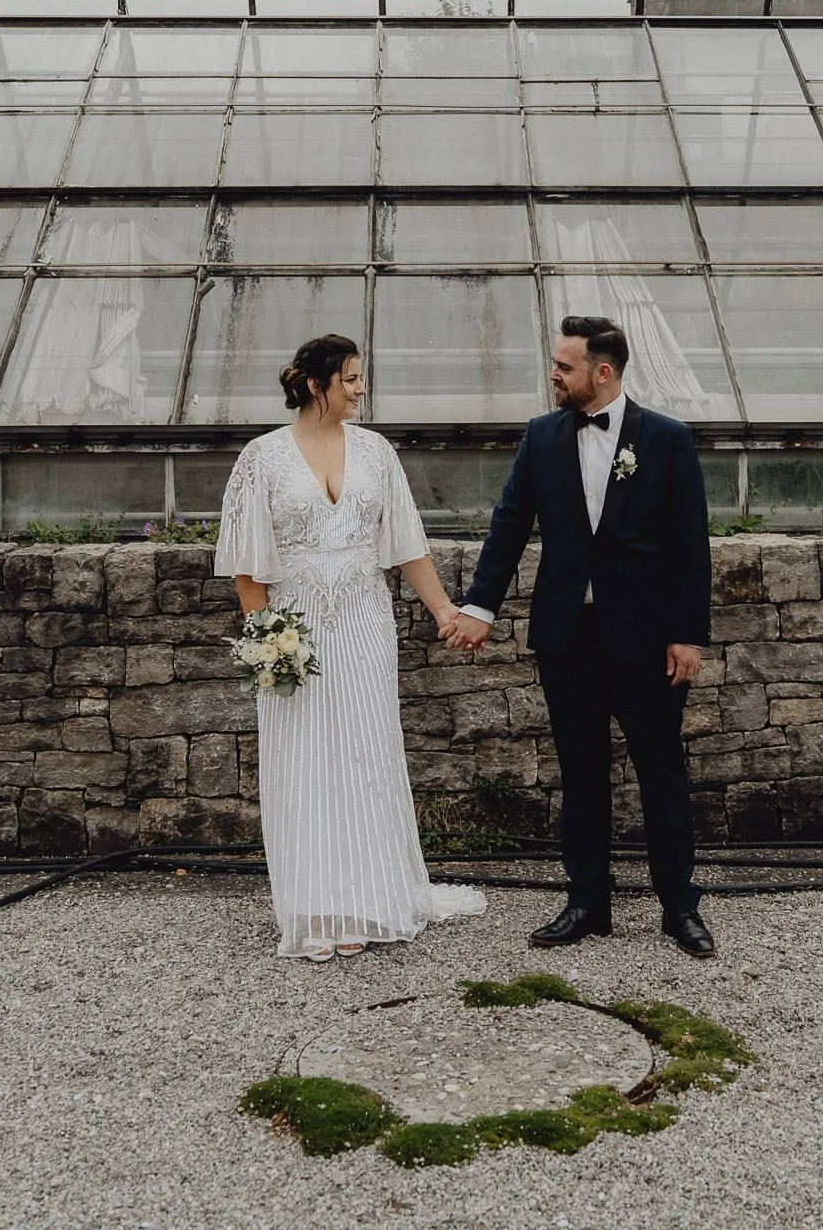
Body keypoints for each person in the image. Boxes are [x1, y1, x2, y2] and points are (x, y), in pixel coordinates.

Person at [442, 315, 716, 958]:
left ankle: (680, 907)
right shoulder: (540, 436)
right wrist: (481, 603)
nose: (553, 376)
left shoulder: (668, 439)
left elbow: (690, 544)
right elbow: (509, 524)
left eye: (564, 367)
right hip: (566, 635)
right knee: (581, 772)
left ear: (603, 371)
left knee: (662, 773)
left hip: (648, 639)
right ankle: (587, 902)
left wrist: (687, 633)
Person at [214, 333, 486, 962]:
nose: (361, 390)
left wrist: (444, 608)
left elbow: (406, 543)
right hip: (294, 625)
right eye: (352, 380)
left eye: (362, 379)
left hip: (365, 619)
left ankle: (367, 896)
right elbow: (247, 565)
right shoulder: (261, 458)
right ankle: (314, 905)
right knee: (303, 761)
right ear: (317, 385)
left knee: (365, 753)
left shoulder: (376, 452)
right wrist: (265, 639)